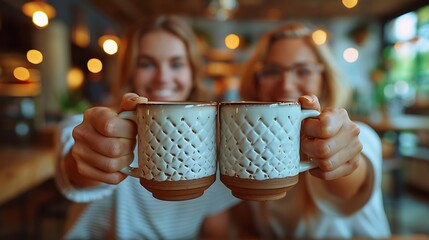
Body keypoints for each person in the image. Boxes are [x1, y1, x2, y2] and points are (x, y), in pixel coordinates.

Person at [55, 15, 239, 239]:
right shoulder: (100, 128)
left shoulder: (216, 143)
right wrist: (89, 159)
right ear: (129, 71)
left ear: (192, 74)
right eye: (147, 64)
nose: (163, 78)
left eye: (177, 64)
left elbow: (215, 230)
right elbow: (76, 165)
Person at [233, 23, 391, 239]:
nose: (286, 85)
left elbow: (350, 174)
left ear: (324, 81)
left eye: (303, 70)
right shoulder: (245, 148)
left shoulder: (356, 135)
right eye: (272, 71)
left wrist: (339, 155)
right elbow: (246, 227)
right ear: (256, 81)